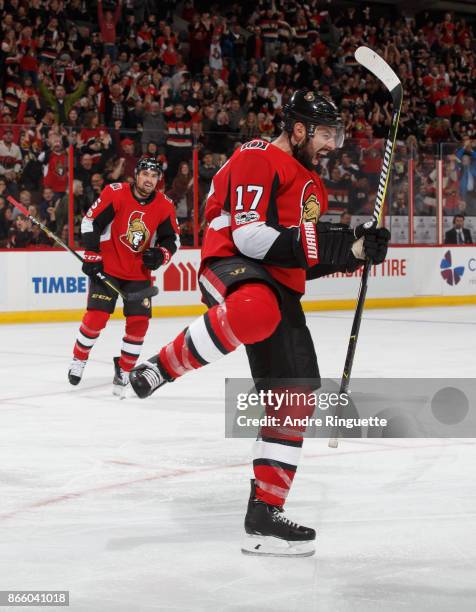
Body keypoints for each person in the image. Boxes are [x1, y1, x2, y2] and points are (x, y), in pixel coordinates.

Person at [128, 90, 390, 556]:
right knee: (256, 308)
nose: (332, 143)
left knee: (297, 392)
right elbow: (250, 237)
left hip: (277, 283)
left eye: (336, 134)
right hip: (231, 262)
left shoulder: (313, 183)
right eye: (324, 133)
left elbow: (299, 256)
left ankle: (265, 512)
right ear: (297, 129)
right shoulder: (257, 155)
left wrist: (352, 252)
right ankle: (161, 366)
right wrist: (337, 243)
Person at [68, 157, 180, 397]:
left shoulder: (164, 205)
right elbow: (90, 221)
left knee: (139, 324)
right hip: (107, 267)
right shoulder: (115, 193)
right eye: (145, 174)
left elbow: (172, 239)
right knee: (96, 318)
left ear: (158, 180)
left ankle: (125, 369)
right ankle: (79, 358)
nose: (149, 180)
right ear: (136, 175)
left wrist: (161, 254)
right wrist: (91, 253)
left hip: (138, 273)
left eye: (154, 176)